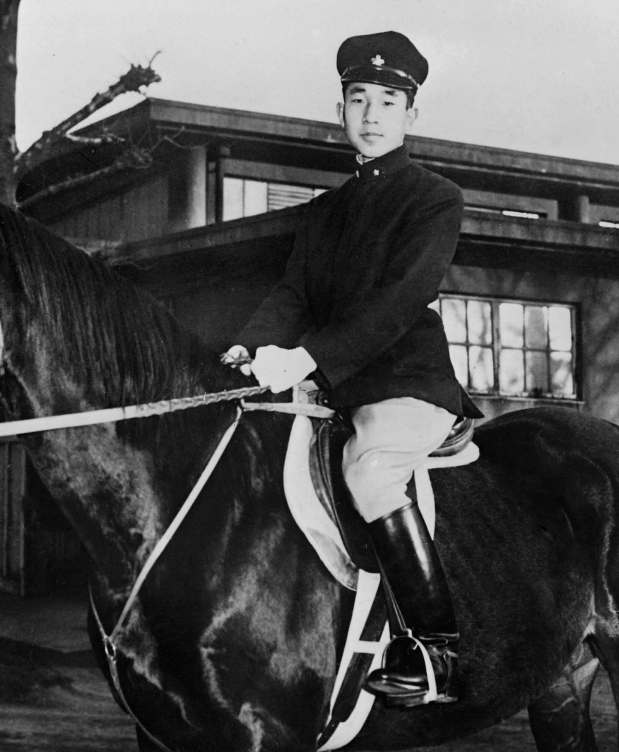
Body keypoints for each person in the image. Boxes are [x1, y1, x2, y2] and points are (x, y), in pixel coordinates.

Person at [224, 30, 482, 706]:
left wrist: (307, 355)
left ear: (411, 116)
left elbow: (401, 301)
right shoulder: (322, 214)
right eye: (358, 99)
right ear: (340, 110)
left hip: (404, 385)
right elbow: (292, 295)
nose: (371, 115)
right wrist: (247, 348)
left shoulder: (434, 199)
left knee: (368, 467)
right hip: (329, 386)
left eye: (388, 101)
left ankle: (436, 652)